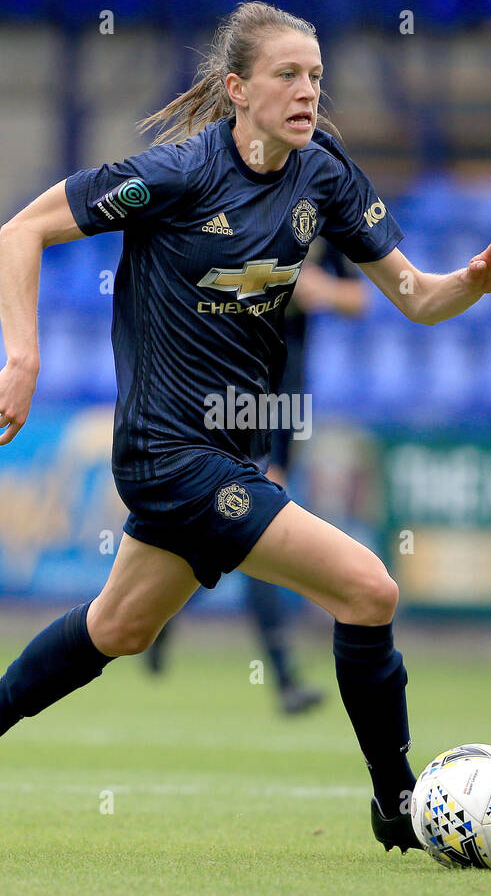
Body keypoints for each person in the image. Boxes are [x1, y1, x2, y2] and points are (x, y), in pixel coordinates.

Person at [0, 1, 491, 854]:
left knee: (121, 629)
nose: (306, 91)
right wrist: (22, 359)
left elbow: (417, 298)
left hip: (231, 449)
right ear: (237, 88)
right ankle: (398, 804)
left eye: (317, 77)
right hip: (164, 452)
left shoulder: (323, 175)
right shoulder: (176, 174)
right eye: (287, 75)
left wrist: (470, 281)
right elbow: (20, 230)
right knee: (368, 590)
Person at [142, 238, 367, 716]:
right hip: (232, 394)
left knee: (239, 532)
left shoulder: (319, 234)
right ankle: (283, 677)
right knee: (252, 525)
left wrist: (316, 289)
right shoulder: (248, 222)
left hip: (286, 398)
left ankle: (162, 620)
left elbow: (358, 299)